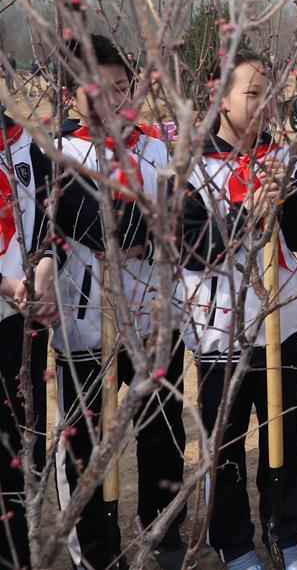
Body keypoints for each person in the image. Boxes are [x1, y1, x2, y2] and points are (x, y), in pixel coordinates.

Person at [52, 34, 189, 570]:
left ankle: (165, 531)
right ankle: (94, 548)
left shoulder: (155, 147)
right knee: (87, 443)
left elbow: (176, 222)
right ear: (70, 96)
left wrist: (145, 228)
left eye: (120, 86)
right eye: (95, 89)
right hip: (86, 326)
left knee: (163, 430)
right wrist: (142, 224)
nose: (110, 99)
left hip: (155, 317)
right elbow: (91, 224)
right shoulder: (60, 156)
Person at [180, 49, 297, 570]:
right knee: (225, 441)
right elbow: (189, 246)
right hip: (220, 328)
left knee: (283, 429)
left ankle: (287, 530)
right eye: (251, 94)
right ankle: (233, 542)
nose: (262, 105)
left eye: (269, 93)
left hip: (281, 322)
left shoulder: (283, 157)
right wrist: (243, 215)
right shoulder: (191, 164)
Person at [0, 111, 78, 569]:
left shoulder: (29, 144)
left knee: (19, 448)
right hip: (11, 297)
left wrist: (47, 263)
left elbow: (57, 223)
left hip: (17, 327)